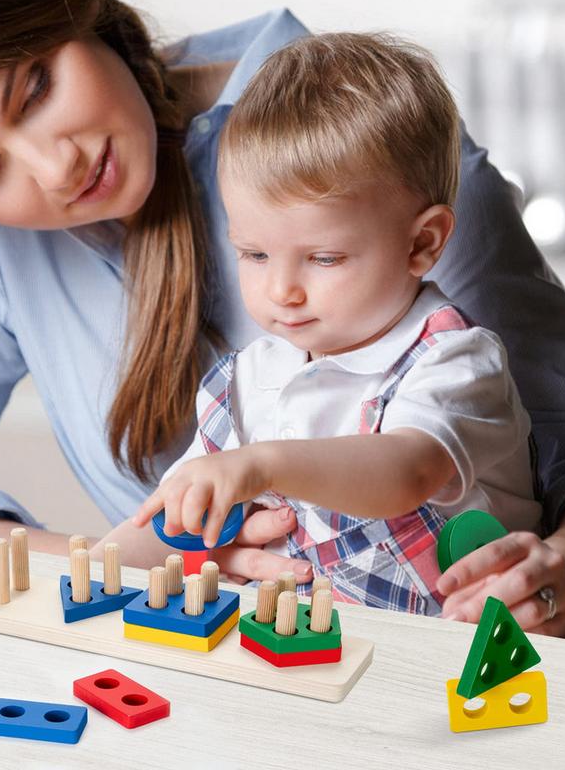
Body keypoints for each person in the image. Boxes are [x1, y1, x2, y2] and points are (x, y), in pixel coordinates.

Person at [0, 0, 565, 639]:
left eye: (36, 88)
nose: (56, 165)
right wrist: (154, 567)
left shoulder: (360, 157)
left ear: (72, 4)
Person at [124, 32, 540, 616]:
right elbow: (174, 521)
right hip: (313, 653)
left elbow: (407, 471)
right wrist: (95, 566)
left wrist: (261, 462)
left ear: (422, 243)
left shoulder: (456, 360)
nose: (281, 291)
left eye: (323, 258)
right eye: (254, 254)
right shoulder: (247, 379)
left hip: (472, 660)